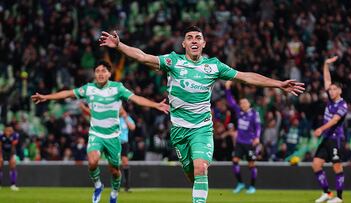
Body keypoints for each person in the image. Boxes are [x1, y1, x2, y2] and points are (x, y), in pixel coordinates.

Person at [99, 26, 304, 203]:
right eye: (190, 38)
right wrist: (119, 45)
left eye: (198, 38)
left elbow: (245, 77)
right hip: (179, 131)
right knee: (192, 173)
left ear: (204, 44)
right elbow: (143, 57)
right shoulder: (173, 61)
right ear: (184, 44)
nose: (194, 41)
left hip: (202, 129)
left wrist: (278, 84)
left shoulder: (213, 66)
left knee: (200, 168)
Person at [31, 60, 169, 203]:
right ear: (94, 74)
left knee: (115, 171)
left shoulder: (117, 88)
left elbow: (137, 99)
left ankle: (114, 192)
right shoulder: (89, 88)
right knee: (92, 162)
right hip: (96, 134)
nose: (100, 74)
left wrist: (155, 105)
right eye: (97, 71)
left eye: (104, 71)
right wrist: (45, 97)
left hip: (114, 137)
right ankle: (98, 186)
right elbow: (67, 93)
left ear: (109, 74)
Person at [312, 56, 348, 203]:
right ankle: (327, 193)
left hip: (335, 139)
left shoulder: (342, 105)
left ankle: (339, 198)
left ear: (340, 91)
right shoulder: (331, 99)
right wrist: (326, 65)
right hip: (326, 138)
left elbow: (335, 120)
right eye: (330, 89)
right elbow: (327, 79)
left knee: (337, 167)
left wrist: (321, 128)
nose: (331, 91)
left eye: (334, 89)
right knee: (316, 165)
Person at [225, 81, 261, 194]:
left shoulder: (254, 113)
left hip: (250, 142)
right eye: (241, 103)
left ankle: (252, 187)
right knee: (235, 161)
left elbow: (258, 127)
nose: (243, 105)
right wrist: (227, 88)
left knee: (251, 165)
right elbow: (230, 102)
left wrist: (257, 137)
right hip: (240, 141)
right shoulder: (239, 111)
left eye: (245, 103)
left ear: (249, 104)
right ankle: (240, 183)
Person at [0, 124, 20, 191]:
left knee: (13, 165)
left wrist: (12, 156)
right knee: (0, 163)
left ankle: (13, 185)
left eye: (11, 130)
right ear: (5, 130)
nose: (9, 131)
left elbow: (13, 146)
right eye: (8, 130)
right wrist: (0, 156)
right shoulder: (1, 136)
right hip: (2, 151)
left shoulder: (15, 136)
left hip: (10, 152)